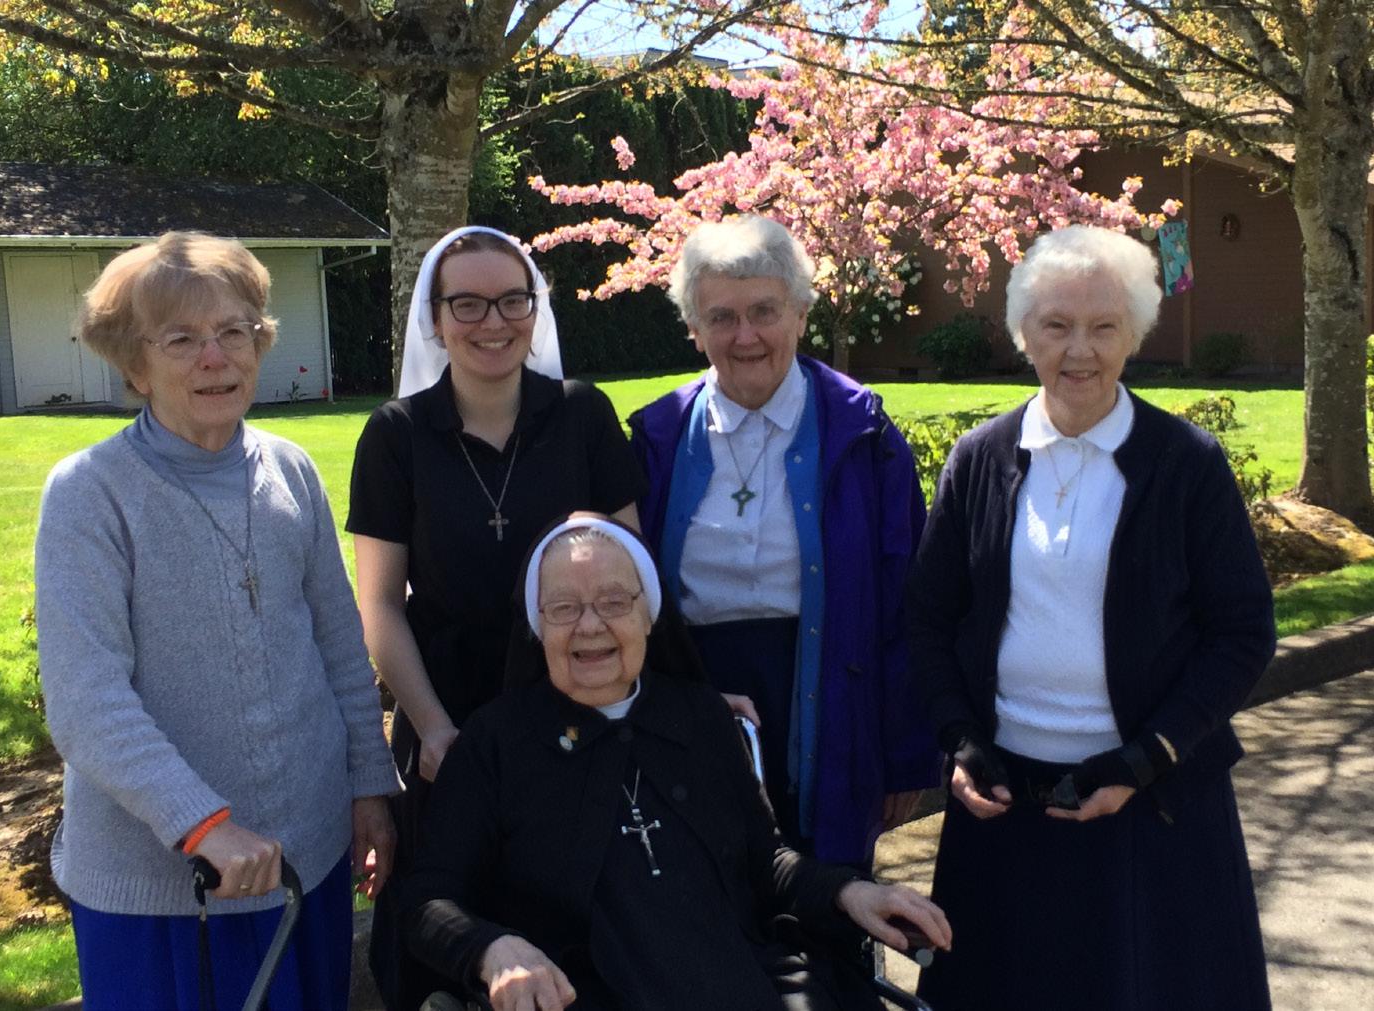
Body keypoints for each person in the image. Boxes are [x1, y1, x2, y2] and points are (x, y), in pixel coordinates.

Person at [907, 225, 1276, 1010]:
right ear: (1024, 333)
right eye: (1057, 325)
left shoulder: (1188, 464)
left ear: (1134, 334)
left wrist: (1148, 757)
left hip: (1150, 807)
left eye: (1104, 326)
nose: (1080, 349)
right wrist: (959, 740)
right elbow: (929, 619)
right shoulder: (978, 459)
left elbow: (1243, 631)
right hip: (1003, 809)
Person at [34, 231, 399, 1010]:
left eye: (235, 331)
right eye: (182, 339)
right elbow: (87, 699)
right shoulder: (89, 493)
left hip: (307, 863)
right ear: (135, 365)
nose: (216, 357)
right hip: (164, 893)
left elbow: (340, 647)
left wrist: (370, 786)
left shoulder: (292, 470)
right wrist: (201, 825)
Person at [403, 513, 952, 1011]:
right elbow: (427, 899)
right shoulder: (494, 744)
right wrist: (492, 949)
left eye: (614, 602)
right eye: (564, 608)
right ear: (537, 624)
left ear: (649, 615)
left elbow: (766, 862)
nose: (589, 626)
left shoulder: (701, 717)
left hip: (745, 981)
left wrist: (848, 891)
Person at [347, 226, 645, 1008]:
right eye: (468, 304)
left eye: (513, 300)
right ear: (435, 318)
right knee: (448, 917)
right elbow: (379, 605)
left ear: (535, 310)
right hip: (446, 711)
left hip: (571, 706)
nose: (493, 321)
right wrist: (434, 728)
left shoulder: (582, 415)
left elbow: (632, 576)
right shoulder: (396, 435)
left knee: (575, 918)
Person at [628, 214, 937, 868]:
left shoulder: (866, 438)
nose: (745, 336)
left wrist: (906, 753)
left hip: (831, 699)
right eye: (721, 317)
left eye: (765, 311)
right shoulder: (657, 440)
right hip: (694, 693)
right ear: (694, 328)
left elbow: (909, 600)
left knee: (825, 898)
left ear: (800, 313)